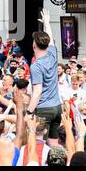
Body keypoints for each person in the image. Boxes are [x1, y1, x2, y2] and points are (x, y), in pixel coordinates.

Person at [27, 10, 62, 146]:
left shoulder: (36, 66)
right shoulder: (53, 54)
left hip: (43, 109)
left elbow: (37, 92)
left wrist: (29, 111)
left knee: (38, 145)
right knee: (54, 145)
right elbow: (51, 38)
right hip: (57, 107)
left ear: (34, 45)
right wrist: (47, 22)